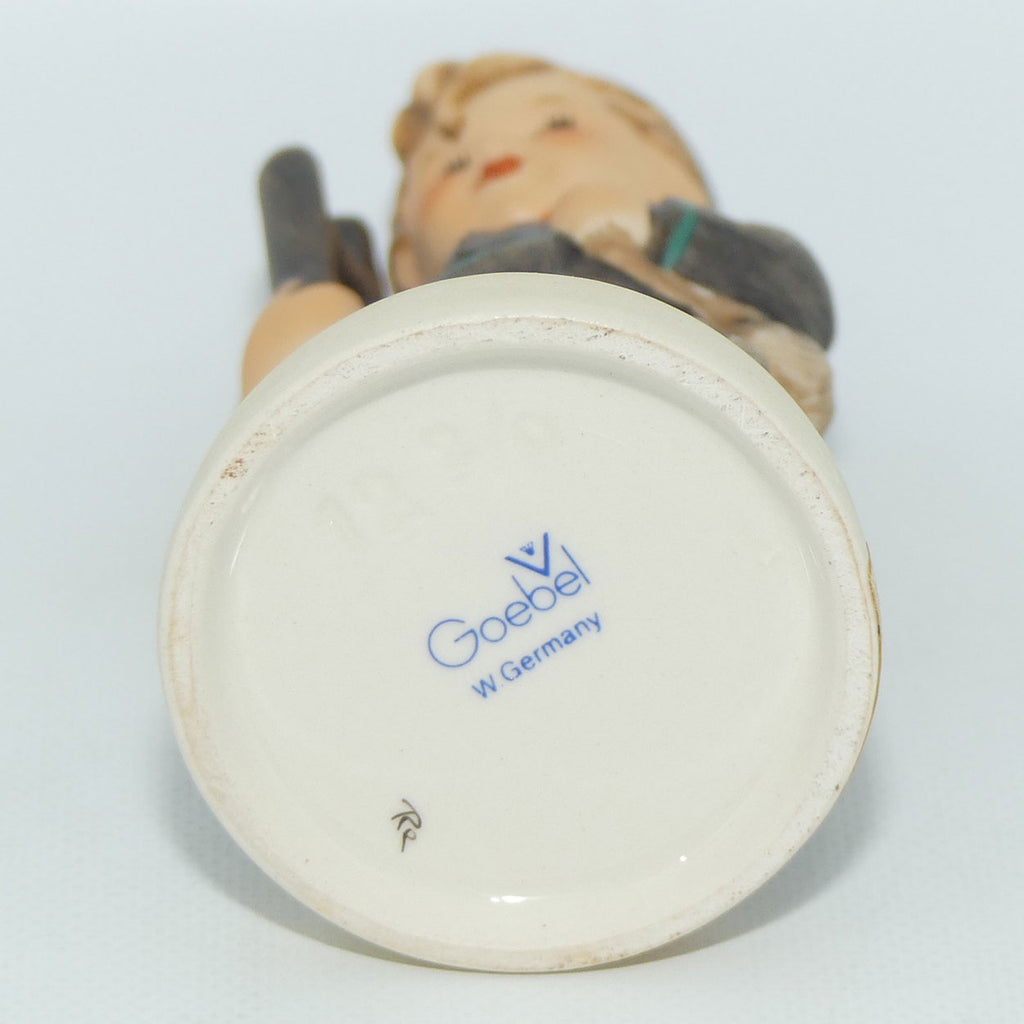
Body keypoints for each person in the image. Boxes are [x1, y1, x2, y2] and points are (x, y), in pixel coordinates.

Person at [245, 55, 835, 431]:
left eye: (555, 125)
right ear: (409, 268)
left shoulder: (694, 251)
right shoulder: (460, 300)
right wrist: (318, 347)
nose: (496, 157)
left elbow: (801, 298)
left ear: (667, 164)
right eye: (452, 165)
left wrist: (648, 228)